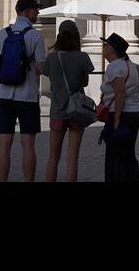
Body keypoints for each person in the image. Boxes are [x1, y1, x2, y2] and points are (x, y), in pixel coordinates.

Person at [0, 0, 47, 182]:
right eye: (36, 10)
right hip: (27, 96)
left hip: (4, 95)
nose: (37, 13)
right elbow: (39, 69)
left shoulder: (1, 34)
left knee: (4, 143)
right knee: (28, 144)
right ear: (27, 11)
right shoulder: (36, 35)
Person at [42, 19, 95, 182]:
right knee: (72, 158)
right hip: (77, 112)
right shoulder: (83, 57)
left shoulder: (51, 57)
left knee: (53, 156)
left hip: (57, 111)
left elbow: (47, 75)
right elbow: (85, 82)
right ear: (76, 37)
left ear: (59, 37)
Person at [99, 32, 139, 182]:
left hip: (120, 113)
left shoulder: (114, 67)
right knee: (128, 152)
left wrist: (117, 119)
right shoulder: (130, 65)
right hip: (135, 112)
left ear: (113, 49)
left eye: (106, 45)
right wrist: (133, 87)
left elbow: (119, 92)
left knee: (115, 154)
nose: (103, 47)